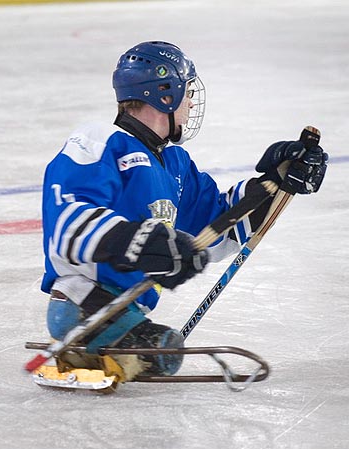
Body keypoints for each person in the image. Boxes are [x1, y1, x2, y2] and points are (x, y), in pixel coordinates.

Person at [40, 41, 327, 381]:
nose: (191, 102)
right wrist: (143, 242)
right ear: (165, 94)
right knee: (164, 352)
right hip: (84, 302)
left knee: (164, 351)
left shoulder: (175, 164)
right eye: (187, 92)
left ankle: (102, 349)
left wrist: (276, 184)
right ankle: (87, 345)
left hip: (127, 310)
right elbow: (68, 219)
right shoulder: (101, 139)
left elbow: (217, 223)